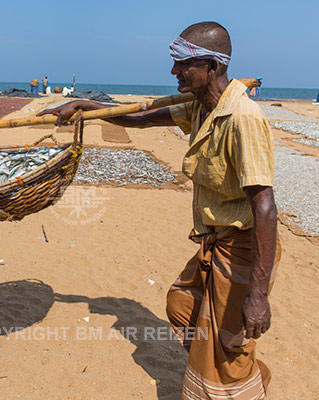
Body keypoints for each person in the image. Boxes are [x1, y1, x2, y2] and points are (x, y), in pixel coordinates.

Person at [38, 21, 280, 399]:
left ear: (212, 67)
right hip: (214, 242)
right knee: (182, 305)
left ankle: (237, 383)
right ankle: (240, 372)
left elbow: (264, 207)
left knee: (225, 347)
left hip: (243, 249)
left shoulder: (242, 119)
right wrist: (86, 106)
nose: (174, 72)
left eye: (183, 64)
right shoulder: (201, 108)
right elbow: (141, 118)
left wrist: (258, 294)